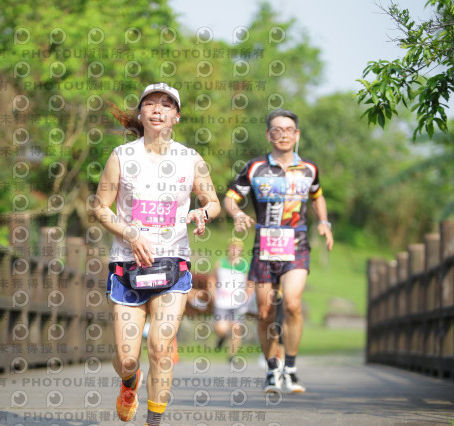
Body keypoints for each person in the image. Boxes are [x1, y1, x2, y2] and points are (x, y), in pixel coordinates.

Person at [93, 83, 220, 425]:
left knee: (161, 349)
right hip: (127, 267)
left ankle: (154, 422)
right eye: (150, 103)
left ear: (176, 116)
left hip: (173, 265)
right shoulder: (122, 157)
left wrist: (202, 214)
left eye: (167, 104)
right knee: (128, 358)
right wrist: (130, 233)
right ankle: (129, 383)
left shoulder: (191, 159)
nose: (158, 109)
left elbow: (213, 202)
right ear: (141, 114)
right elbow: (101, 207)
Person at [223, 108, 333, 394]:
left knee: (293, 304)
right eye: (277, 130)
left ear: (296, 135)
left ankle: (292, 369)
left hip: (297, 244)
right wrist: (236, 213)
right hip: (264, 246)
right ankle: (272, 370)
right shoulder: (255, 168)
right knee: (264, 313)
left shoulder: (309, 169)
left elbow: (318, 195)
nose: (283, 134)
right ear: (268, 135)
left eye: (288, 130)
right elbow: (230, 198)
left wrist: (324, 223)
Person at [208, 240, 252, 361]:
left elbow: (250, 283)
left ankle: (232, 355)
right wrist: (212, 293)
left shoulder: (244, 265)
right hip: (222, 301)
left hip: (238, 302)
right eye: (232, 247)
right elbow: (212, 279)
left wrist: (248, 295)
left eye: (236, 248)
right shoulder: (220, 263)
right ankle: (222, 338)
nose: (234, 250)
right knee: (221, 328)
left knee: (236, 327)